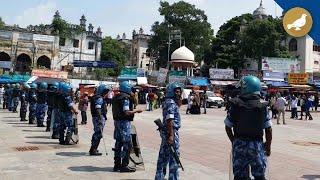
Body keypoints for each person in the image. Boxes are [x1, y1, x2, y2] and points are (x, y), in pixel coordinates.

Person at [224, 76, 272, 180]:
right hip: (257, 146)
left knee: (240, 177)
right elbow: (268, 129)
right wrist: (268, 147)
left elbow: (228, 127)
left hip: (239, 144)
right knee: (260, 176)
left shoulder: (235, 105)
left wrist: (234, 142)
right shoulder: (263, 106)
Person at [112, 81, 143, 172]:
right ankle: (124, 165)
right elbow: (126, 112)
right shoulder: (125, 98)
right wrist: (136, 111)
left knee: (118, 143)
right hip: (124, 123)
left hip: (117, 122)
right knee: (127, 143)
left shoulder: (116, 97)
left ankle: (117, 165)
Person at [155, 82, 183, 180]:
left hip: (167, 131)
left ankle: (159, 177)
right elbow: (169, 119)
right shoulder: (171, 103)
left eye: (179, 92)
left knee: (163, 156)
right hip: (172, 131)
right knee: (174, 157)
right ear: (172, 92)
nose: (179, 94)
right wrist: (171, 135)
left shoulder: (168, 101)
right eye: (177, 92)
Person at [89, 84, 110, 155]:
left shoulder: (96, 97)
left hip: (95, 117)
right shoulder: (99, 98)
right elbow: (98, 108)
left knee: (97, 133)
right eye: (105, 91)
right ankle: (93, 150)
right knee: (98, 133)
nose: (106, 93)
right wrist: (100, 118)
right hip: (98, 118)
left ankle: (93, 148)